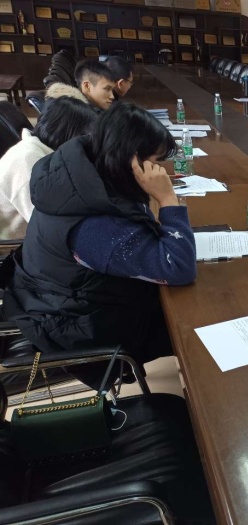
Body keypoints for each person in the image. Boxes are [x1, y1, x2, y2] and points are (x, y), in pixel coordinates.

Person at [2, 102, 196, 388]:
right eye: (155, 161)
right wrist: (168, 200)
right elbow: (178, 267)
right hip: (79, 325)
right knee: (194, 317)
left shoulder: (80, 175)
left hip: (63, 297)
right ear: (132, 160)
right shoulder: (92, 227)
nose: (159, 170)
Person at [0, 97, 96, 239]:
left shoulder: (48, 156)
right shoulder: (27, 161)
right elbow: (49, 228)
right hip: (13, 244)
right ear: (69, 135)